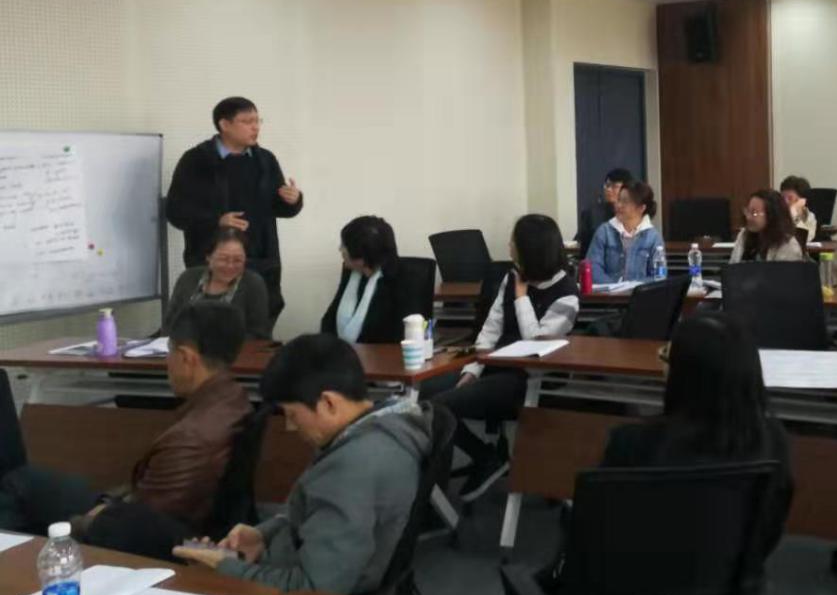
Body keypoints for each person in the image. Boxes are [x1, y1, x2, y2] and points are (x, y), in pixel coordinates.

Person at [175, 333, 432, 595]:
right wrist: (264, 535)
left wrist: (224, 569)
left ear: (328, 403)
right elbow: (317, 515)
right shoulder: (380, 429)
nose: (290, 426)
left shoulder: (351, 470)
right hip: (293, 564)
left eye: (293, 414)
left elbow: (312, 590)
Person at [0, 304, 251, 558]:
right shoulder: (234, 397)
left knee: (17, 485)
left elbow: (137, 527)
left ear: (186, 357)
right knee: (25, 479)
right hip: (138, 512)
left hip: (134, 532)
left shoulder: (189, 440)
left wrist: (83, 521)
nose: (167, 362)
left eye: (169, 352)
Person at [601, 313, 793, 556]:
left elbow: (603, 526)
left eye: (666, 358)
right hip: (733, 576)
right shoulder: (773, 440)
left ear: (682, 374)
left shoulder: (631, 443)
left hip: (637, 573)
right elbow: (769, 532)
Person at [421, 215, 579, 501]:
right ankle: (486, 457)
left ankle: (464, 473)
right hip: (493, 365)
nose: (509, 246)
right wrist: (472, 370)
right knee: (423, 395)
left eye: (514, 242)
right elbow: (489, 331)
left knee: (440, 406)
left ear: (531, 250)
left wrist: (521, 297)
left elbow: (535, 346)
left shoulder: (566, 294)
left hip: (530, 376)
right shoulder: (512, 277)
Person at [166, 96, 303, 323]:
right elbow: (175, 212)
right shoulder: (197, 160)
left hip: (261, 262)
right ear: (224, 124)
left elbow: (278, 208)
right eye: (247, 121)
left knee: (259, 328)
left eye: (258, 121)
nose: (255, 127)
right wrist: (216, 221)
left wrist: (293, 200)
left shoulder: (265, 160)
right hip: (212, 264)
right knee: (212, 328)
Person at [321, 216, 423, 344]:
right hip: (344, 352)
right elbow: (329, 320)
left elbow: (399, 336)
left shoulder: (404, 279)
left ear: (362, 258)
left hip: (383, 354)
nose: (340, 249)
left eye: (344, 246)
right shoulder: (351, 271)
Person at [164, 227, 271, 340]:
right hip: (185, 347)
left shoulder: (253, 283)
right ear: (208, 257)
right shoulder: (188, 278)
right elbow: (169, 325)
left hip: (234, 349)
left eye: (238, 260)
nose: (230, 266)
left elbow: (258, 334)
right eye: (223, 259)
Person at [585, 180, 665, 284]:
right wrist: (614, 288)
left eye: (625, 202)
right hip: (607, 292)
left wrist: (634, 288)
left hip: (639, 293)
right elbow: (593, 268)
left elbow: (659, 276)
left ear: (641, 208)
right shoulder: (604, 231)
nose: (619, 205)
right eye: (619, 200)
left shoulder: (653, 237)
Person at [731, 190, 804, 263]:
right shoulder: (744, 235)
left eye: (754, 213)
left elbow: (784, 270)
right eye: (747, 211)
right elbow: (734, 265)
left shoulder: (788, 245)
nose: (748, 217)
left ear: (772, 216)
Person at [576, 168, 632, 247]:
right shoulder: (591, 213)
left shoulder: (634, 213)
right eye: (607, 185)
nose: (609, 189)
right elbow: (580, 241)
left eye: (614, 186)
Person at [779, 175, 819, 243]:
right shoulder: (777, 215)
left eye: (790, 198)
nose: (785, 202)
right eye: (782, 198)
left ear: (802, 200)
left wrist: (794, 214)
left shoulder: (810, 216)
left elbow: (805, 238)